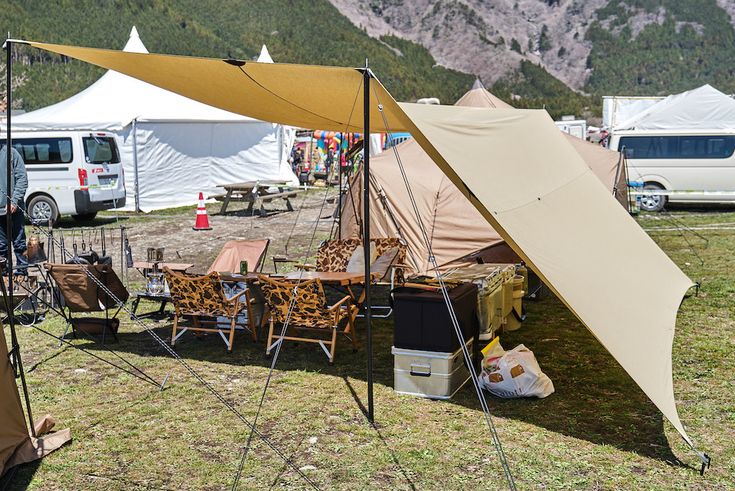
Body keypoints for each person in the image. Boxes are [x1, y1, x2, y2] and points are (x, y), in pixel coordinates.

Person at [0, 142, 29, 276]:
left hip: (13, 209)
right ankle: (4, 275)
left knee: (19, 243)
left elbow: (22, 178)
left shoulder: (11, 153)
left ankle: (22, 273)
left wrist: (14, 200)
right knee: (1, 247)